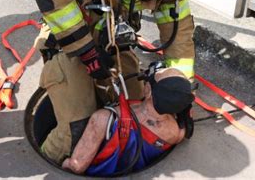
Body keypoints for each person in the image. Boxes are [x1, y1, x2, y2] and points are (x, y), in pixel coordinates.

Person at [32, 0, 222, 164]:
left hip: (114, 46)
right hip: (69, 42)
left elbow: (178, 39)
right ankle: (49, 160)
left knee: (139, 114)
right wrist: (86, 52)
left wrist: (182, 97)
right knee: (77, 131)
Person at [62, 67, 194, 176]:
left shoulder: (103, 118)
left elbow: (76, 166)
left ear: (147, 90)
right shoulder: (175, 133)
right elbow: (187, 125)